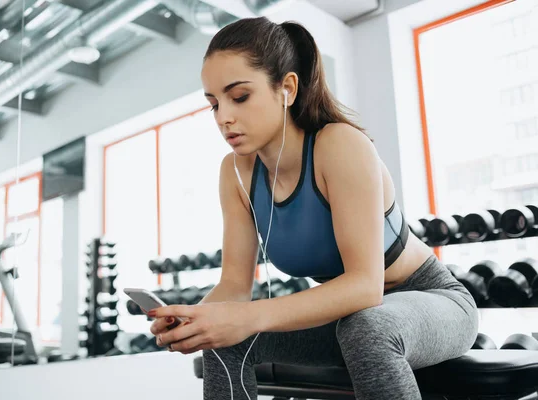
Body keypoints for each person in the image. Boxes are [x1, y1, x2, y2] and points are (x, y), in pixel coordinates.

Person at [148, 16, 478, 400]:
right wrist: (194, 319)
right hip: (346, 319)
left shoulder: (339, 145)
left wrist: (246, 316)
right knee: (225, 337)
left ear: (286, 88)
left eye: (239, 97)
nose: (224, 117)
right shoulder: (235, 172)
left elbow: (364, 287)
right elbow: (234, 287)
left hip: (433, 302)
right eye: (214, 104)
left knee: (366, 327)